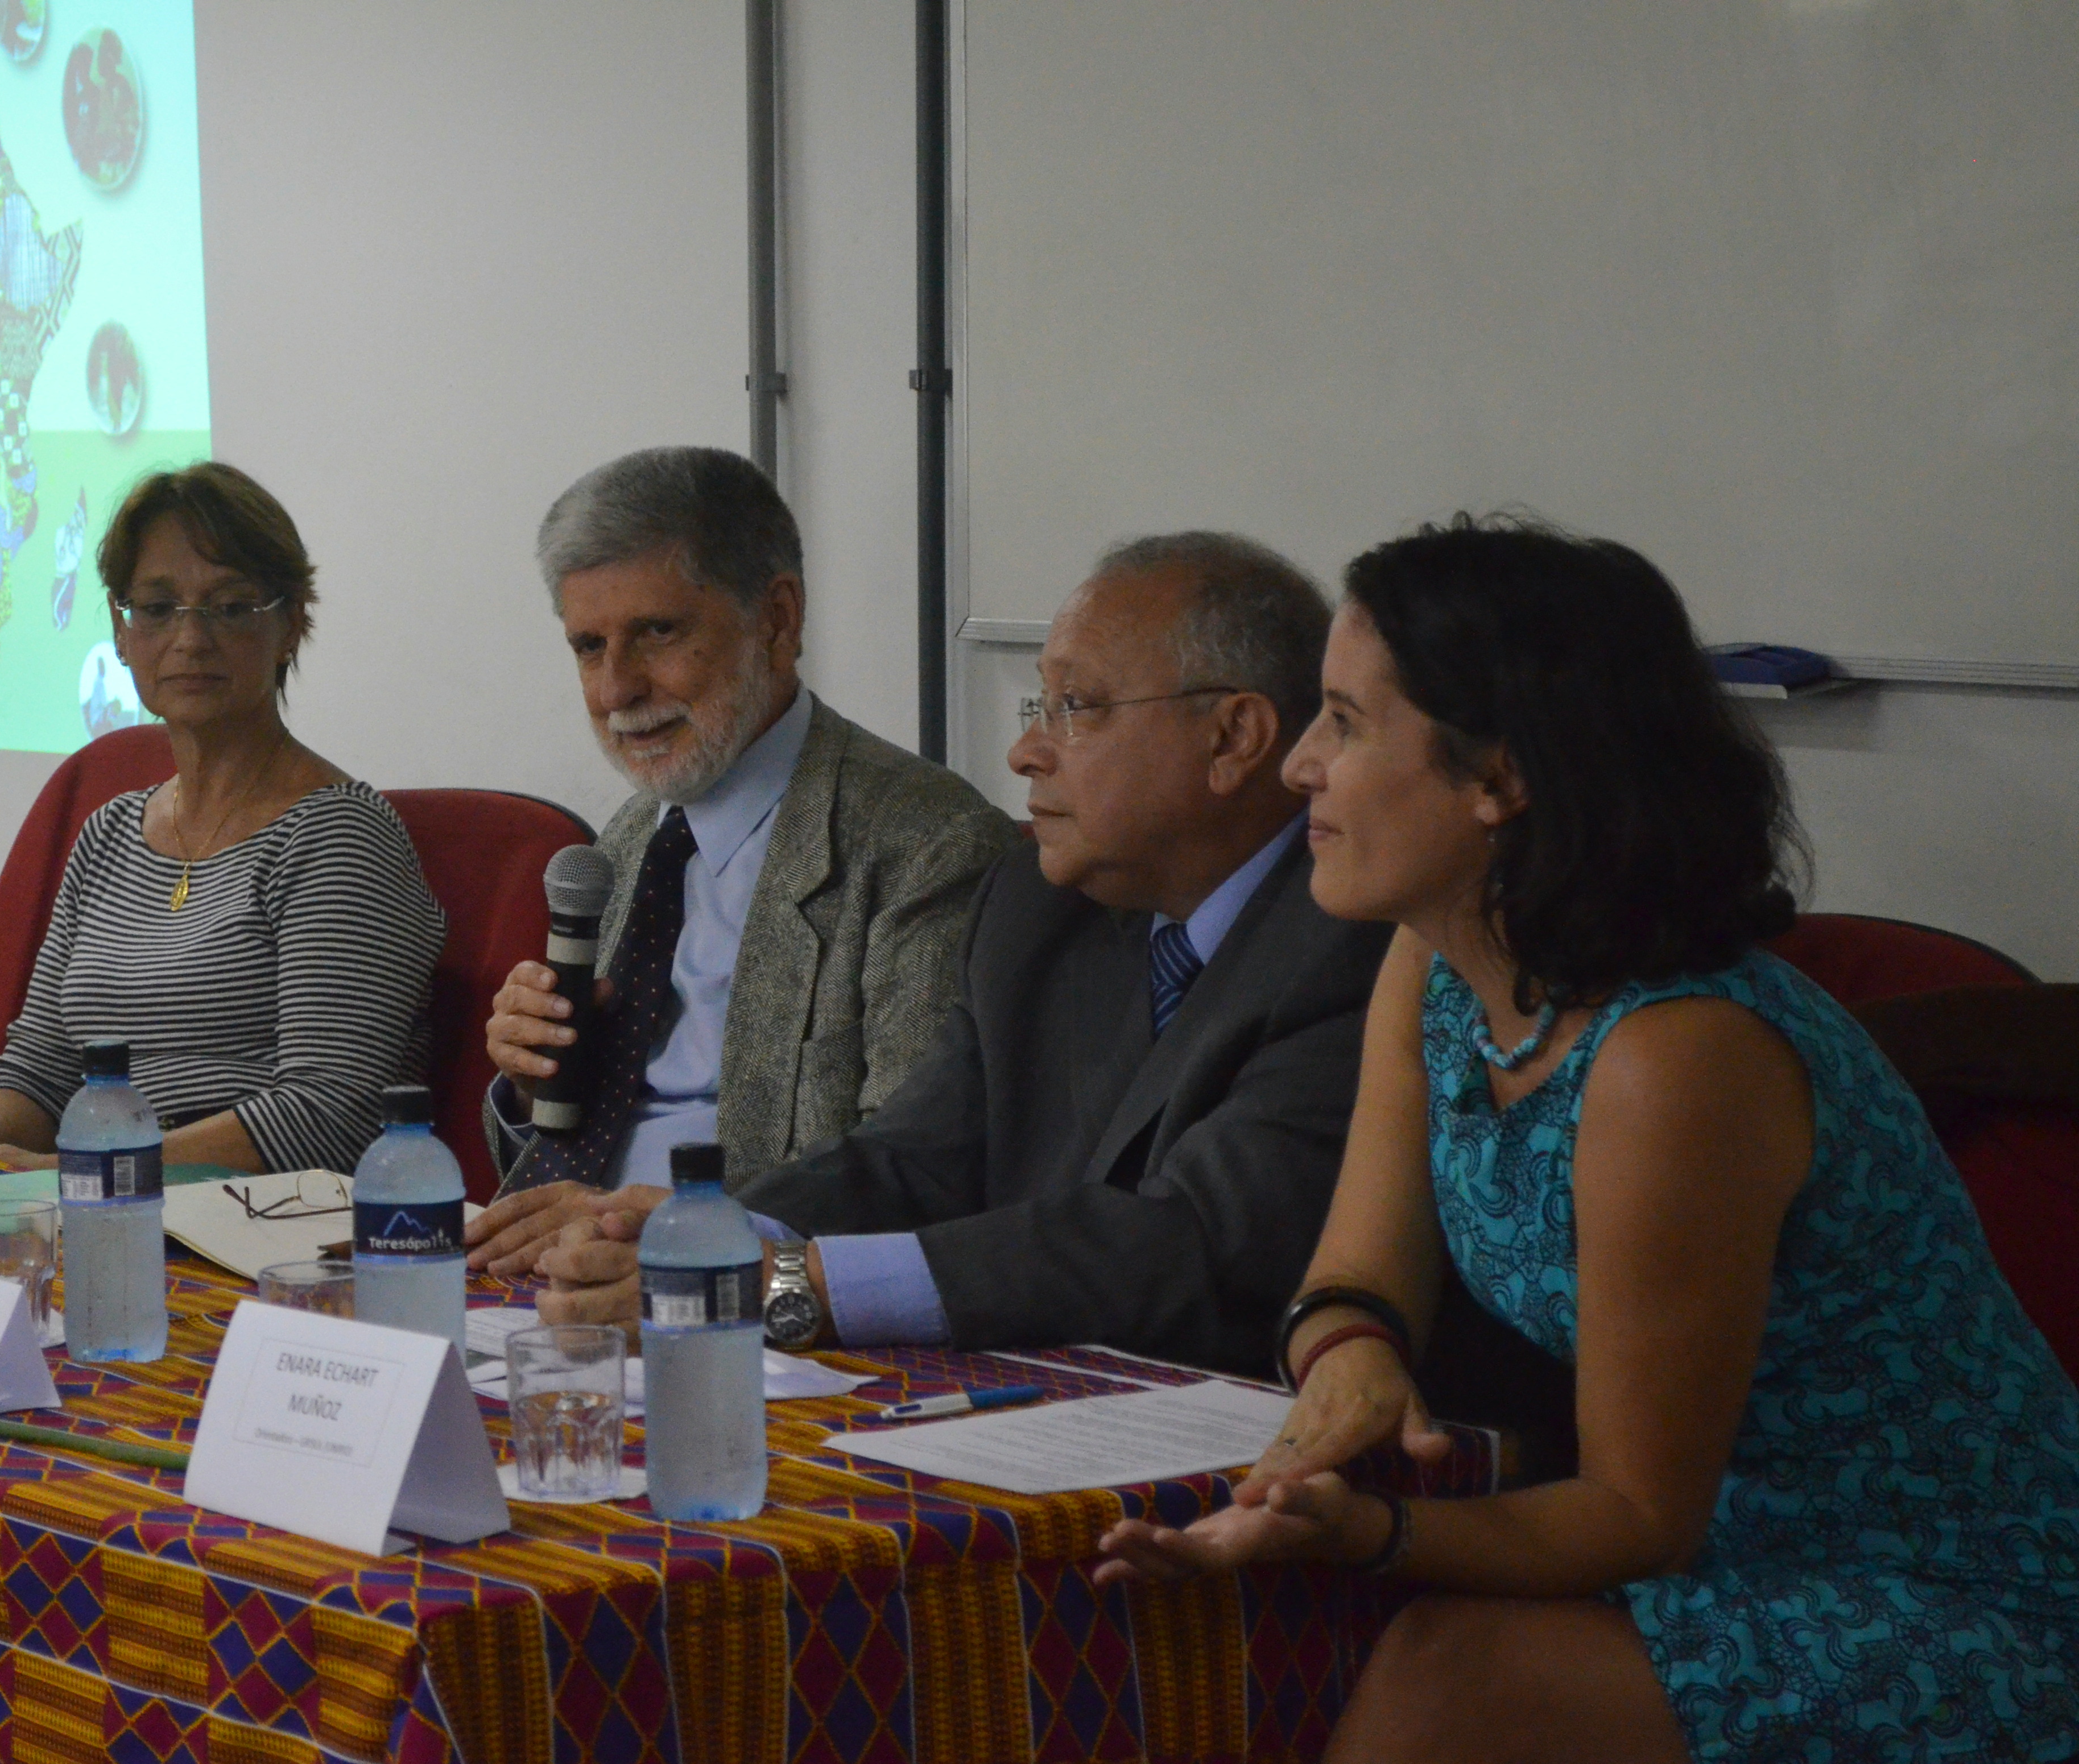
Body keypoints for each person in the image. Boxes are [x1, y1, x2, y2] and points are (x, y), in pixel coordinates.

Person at [1090, 517, 2079, 1760]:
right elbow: (1356, 1272)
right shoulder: (1432, 961)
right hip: (1721, 1560)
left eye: (1342, 722)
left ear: (1497, 779)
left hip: (1944, 1591)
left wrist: (1370, 1532)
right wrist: (1349, 1353)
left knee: (1448, 1674)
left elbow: (1637, 1516)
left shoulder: (1676, 1060)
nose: (1298, 767)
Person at [532, 534, 1399, 1381]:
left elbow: (1193, 1241)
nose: (1026, 752)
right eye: (1037, 707)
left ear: (1233, 737)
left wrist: (792, 1286)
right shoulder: (1039, 906)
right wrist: (715, 1234)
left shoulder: (1358, 941)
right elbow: (912, 1157)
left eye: (1075, 707)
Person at [464, 445, 1016, 1269]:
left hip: (737, 1296)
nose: (615, 690)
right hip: (561, 1274)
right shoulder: (624, 842)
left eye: (657, 632)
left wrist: (687, 1232)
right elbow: (570, 1150)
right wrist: (533, 1084)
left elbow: (915, 1173)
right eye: (588, 646)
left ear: (778, 621)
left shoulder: (927, 846)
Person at [0, 462, 444, 1174]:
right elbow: (40, 1063)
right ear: (121, 632)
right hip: (92, 1200)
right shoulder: (108, 832)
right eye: (156, 608)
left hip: (247, 1218)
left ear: (291, 624)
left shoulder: (338, 837)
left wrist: (85, 1175)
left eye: (231, 607)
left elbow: (328, 1115)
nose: (190, 638)